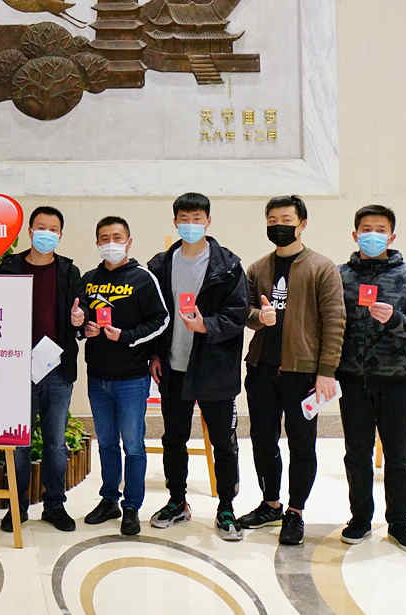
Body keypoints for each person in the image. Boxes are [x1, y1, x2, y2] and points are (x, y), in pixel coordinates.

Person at [238, 195, 345, 546]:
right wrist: (259, 317)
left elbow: (335, 322)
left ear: (302, 224)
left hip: (303, 372)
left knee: (302, 444)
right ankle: (270, 504)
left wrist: (326, 371)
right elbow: (244, 311)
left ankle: (295, 512)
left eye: (285, 219)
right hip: (261, 368)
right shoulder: (257, 268)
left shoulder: (322, 267)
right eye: (272, 220)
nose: (278, 226)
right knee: (262, 440)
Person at [146, 193, 249, 540]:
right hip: (173, 366)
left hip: (214, 367)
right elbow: (155, 315)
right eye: (185, 219)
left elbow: (238, 314)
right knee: (174, 438)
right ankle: (177, 501)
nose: (191, 225)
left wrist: (208, 325)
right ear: (175, 221)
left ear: (208, 221)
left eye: (197, 218)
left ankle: (226, 507)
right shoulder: (160, 264)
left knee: (223, 442)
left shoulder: (228, 266)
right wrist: (155, 354)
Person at [335, 205, 406, 554]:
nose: (372, 235)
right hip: (353, 380)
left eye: (380, 229)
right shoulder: (340, 276)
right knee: (356, 454)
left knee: (398, 456)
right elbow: (331, 325)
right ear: (355, 234)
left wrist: (394, 319)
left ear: (392, 236)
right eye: (366, 229)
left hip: (397, 380)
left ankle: (399, 522)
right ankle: (360, 517)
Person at [78, 216, 169, 536]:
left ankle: (132, 506)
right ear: (97, 243)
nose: (111, 243)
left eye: (117, 237)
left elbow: (161, 320)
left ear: (129, 241)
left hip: (131, 378)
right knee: (105, 443)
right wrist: (84, 329)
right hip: (97, 376)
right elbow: (79, 320)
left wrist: (126, 336)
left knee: (132, 444)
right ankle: (109, 500)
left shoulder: (143, 278)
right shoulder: (89, 280)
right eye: (104, 238)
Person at [0, 205, 84, 533]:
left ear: (60, 235)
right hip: (16, 369)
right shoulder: (9, 268)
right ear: (30, 231)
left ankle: (54, 505)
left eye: (53, 229)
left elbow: (81, 314)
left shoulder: (69, 271)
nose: (46, 234)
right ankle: (16, 507)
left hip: (57, 368)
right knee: (19, 442)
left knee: (55, 442)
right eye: (41, 228)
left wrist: (80, 319)